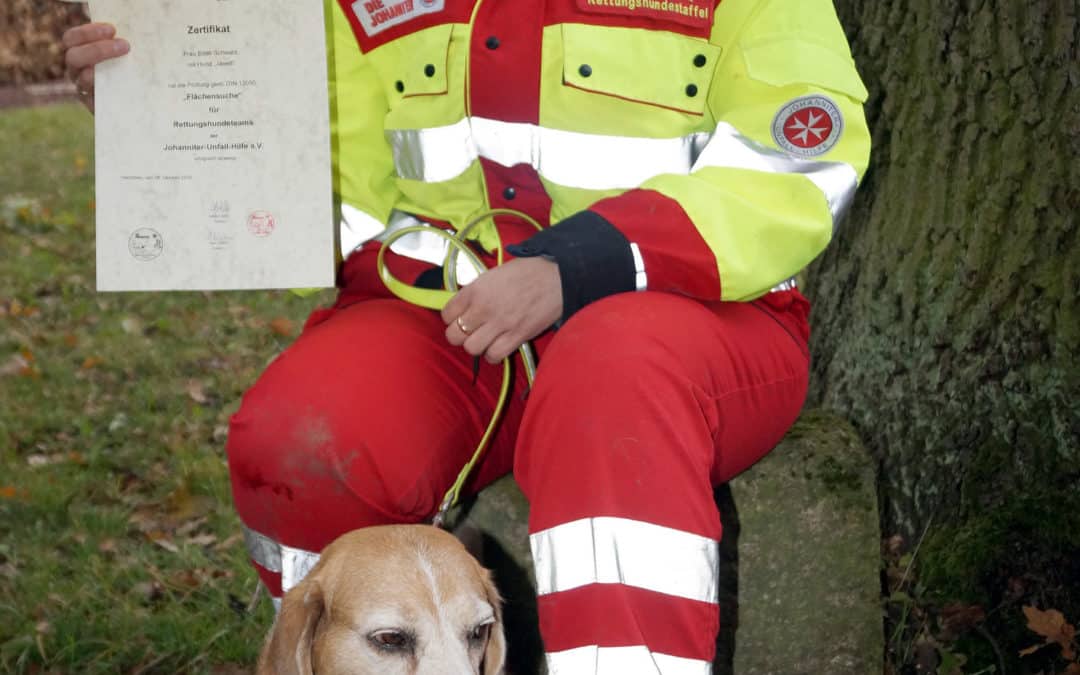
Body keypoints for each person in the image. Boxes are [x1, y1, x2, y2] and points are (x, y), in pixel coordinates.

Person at [64, 0, 870, 671]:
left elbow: (801, 156)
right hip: (445, 316)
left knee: (609, 379)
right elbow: (326, 182)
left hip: (686, 315)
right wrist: (166, 106)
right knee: (298, 442)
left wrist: (577, 264)